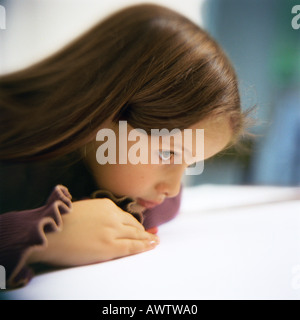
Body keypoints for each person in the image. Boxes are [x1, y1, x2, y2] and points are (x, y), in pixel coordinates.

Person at [0, 3, 250, 289]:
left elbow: (170, 205)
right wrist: (44, 238)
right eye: (168, 153)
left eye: (190, 163)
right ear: (103, 111)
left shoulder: (128, 179)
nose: (172, 188)